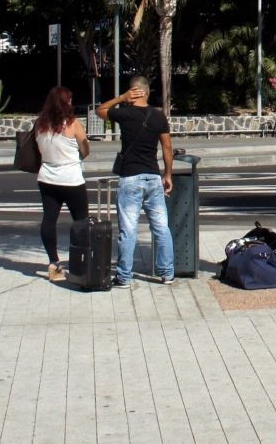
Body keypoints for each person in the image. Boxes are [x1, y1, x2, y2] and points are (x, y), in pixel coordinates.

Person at [96, 75, 174, 286]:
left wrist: (121, 98)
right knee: (161, 228)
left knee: (128, 230)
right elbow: (167, 147)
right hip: (153, 177)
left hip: (130, 177)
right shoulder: (159, 116)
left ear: (132, 92)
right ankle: (167, 273)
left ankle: (124, 277)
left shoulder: (125, 114)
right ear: (147, 92)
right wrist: (168, 175)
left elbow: (100, 110)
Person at [35, 86, 91, 282]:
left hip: (47, 177)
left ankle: (54, 263)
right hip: (71, 179)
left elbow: (39, 151)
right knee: (81, 221)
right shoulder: (73, 124)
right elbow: (85, 149)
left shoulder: (40, 124)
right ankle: (80, 263)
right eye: (70, 99)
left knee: (49, 219)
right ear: (66, 102)